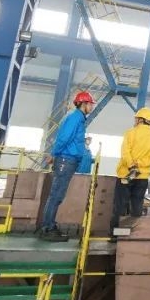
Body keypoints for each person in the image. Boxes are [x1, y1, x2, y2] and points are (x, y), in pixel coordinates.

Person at [39, 92, 94, 241]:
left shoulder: (78, 118)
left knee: (58, 195)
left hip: (69, 160)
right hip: (65, 160)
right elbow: (64, 138)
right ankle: (47, 228)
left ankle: (49, 225)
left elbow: (72, 139)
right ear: (83, 104)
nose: (91, 107)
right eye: (90, 104)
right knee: (56, 195)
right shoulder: (75, 118)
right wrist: (54, 153)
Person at [112, 108, 150, 227]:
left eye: (136, 118)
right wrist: (140, 163)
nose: (135, 121)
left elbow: (125, 152)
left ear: (141, 120)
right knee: (137, 207)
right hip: (142, 177)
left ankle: (116, 233)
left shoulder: (130, 133)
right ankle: (132, 234)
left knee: (120, 206)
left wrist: (131, 165)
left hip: (126, 175)